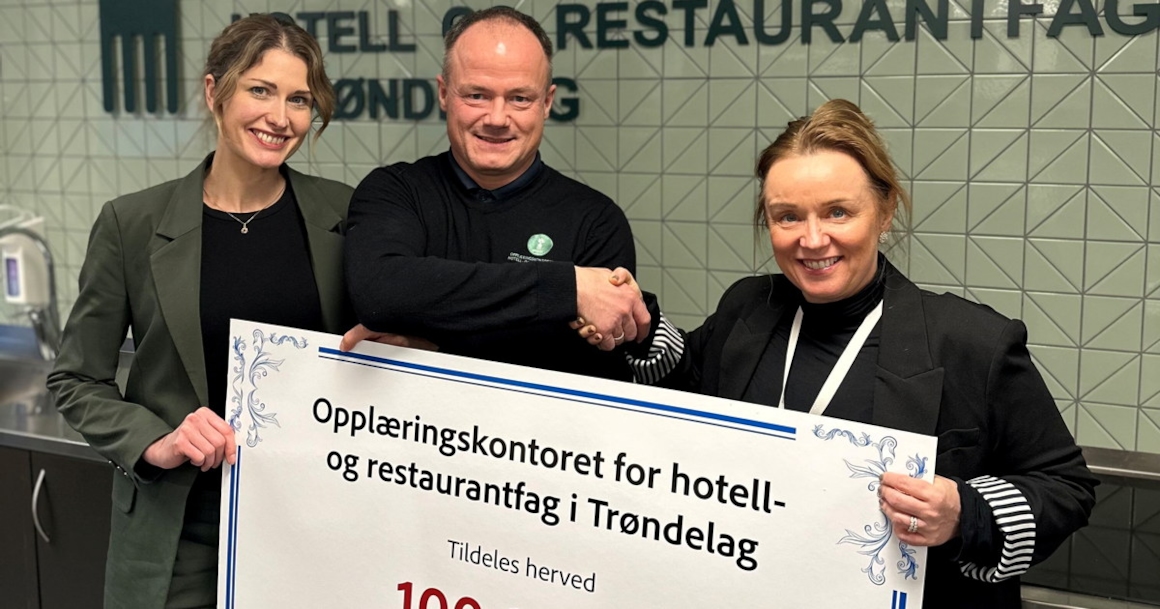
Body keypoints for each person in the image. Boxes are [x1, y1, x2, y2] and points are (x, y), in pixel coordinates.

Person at [578, 99, 1097, 608]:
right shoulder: (748, 307)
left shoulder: (972, 342)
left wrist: (965, 513)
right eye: (787, 217)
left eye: (838, 212)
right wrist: (640, 332)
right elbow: (690, 391)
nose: (812, 239)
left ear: (885, 211)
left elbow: (1066, 487)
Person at [47, 15, 354, 608]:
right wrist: (156, 440)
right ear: (215, 92)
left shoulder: (343, 217)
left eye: (298, 99)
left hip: (312, 528)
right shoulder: (132, 224)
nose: (280, 117)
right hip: (181, 538)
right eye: (260, 90)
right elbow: (76, 379)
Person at [341, 6, 648, 379]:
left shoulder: (595, 222)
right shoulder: (396, 191)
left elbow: (588, 374)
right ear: (444, 93)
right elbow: (381, 294)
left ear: (547, 103)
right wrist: (569, 289)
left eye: (520, 98)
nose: (498, 118)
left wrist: (436, 349)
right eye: (477, 95)